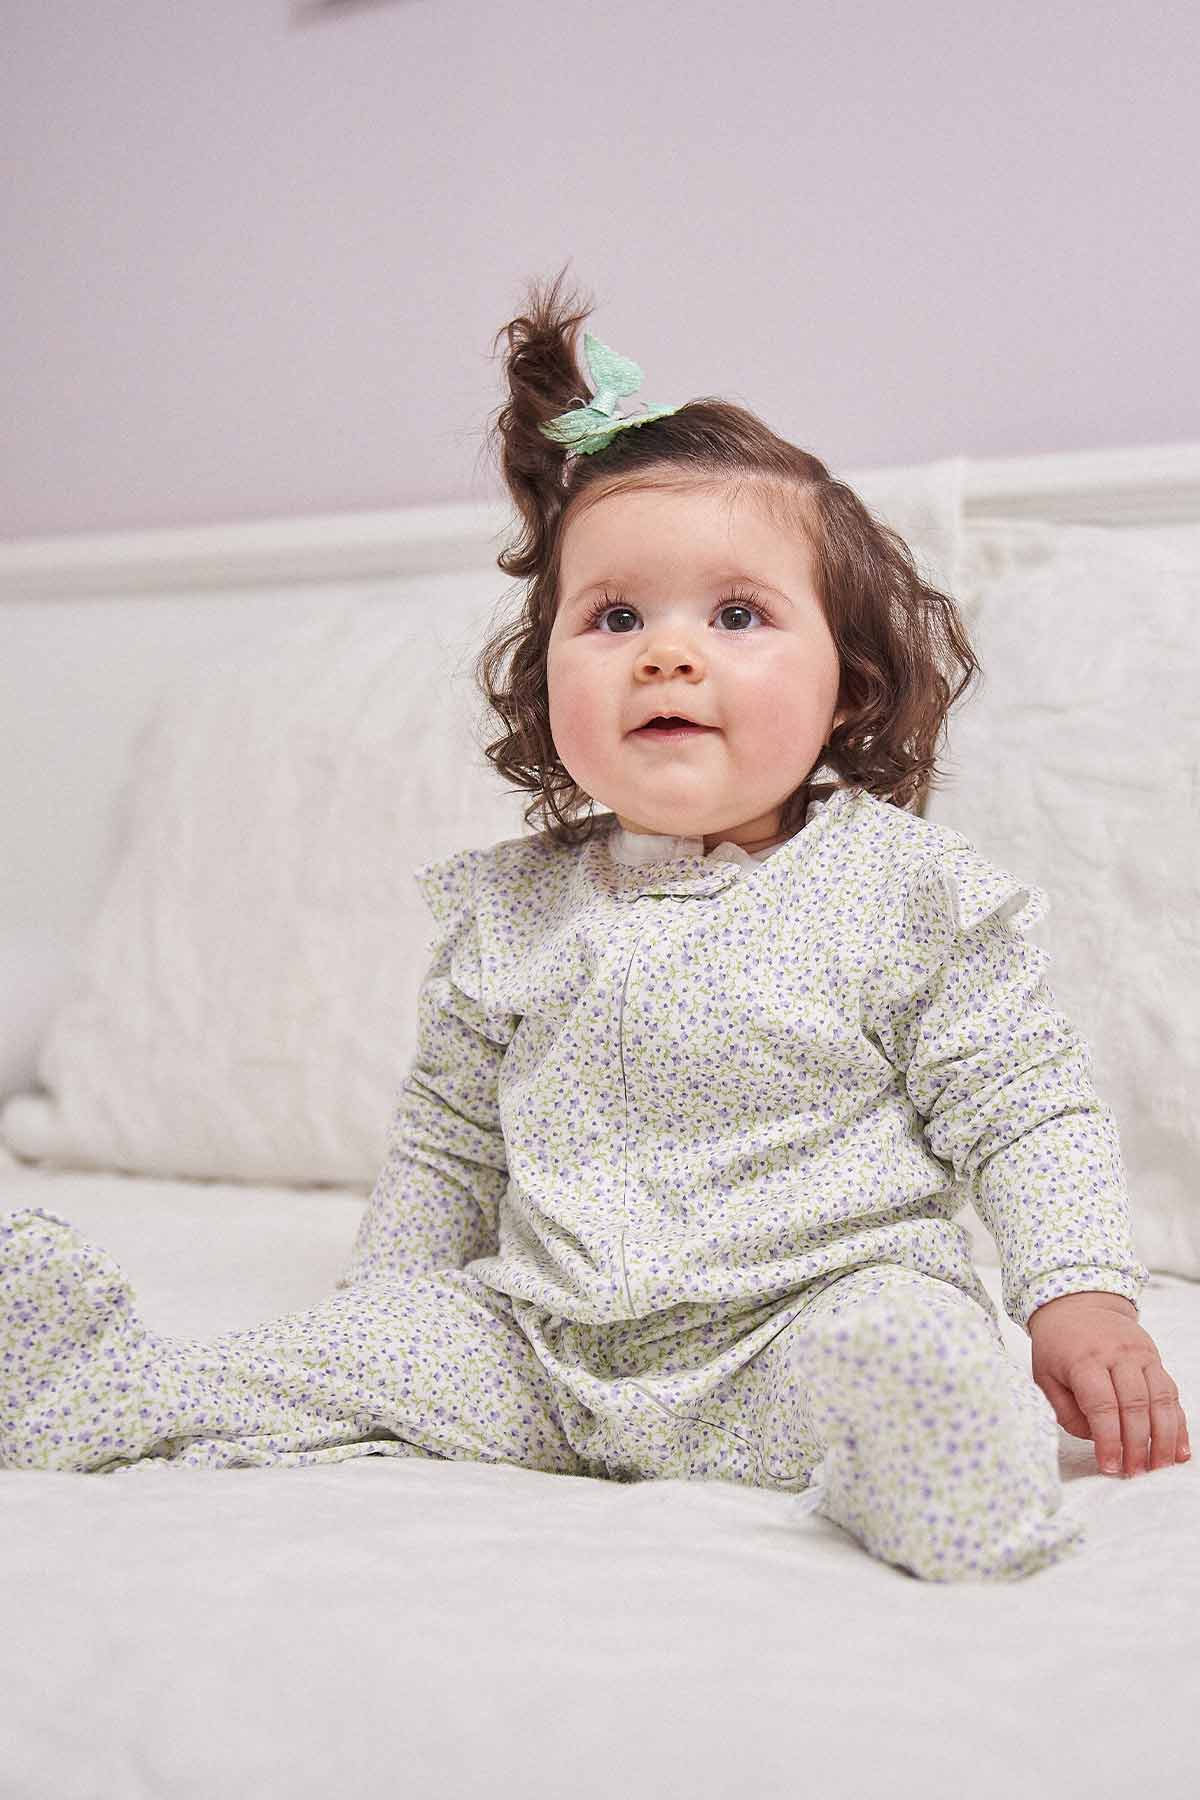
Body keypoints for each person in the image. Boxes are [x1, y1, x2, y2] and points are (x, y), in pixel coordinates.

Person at [0, 267, 1189, 1584]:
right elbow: (450, 1140)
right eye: (615, 616)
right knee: (342, 1353)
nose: (666, 654)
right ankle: (93, 1388)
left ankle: (936, 1472)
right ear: (544, 676)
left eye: (736, 615)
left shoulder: (909, 891)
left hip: (796, 1328)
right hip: (545, 1349)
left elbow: (1025, 1107)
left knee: (901, 1346)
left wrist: (1077, 1294)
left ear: (848, 684)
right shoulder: (510, 908)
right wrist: (390, 1308)